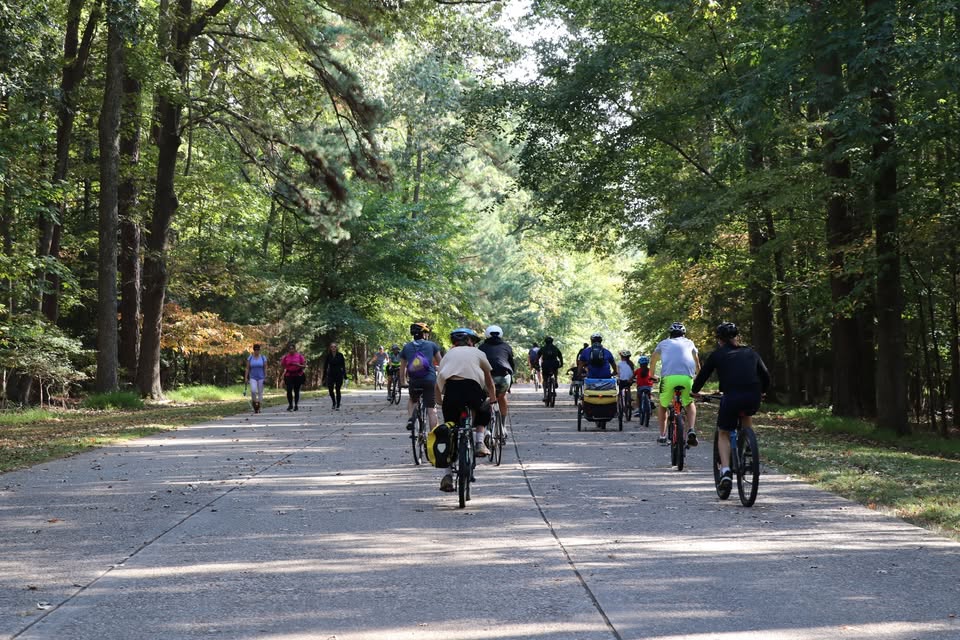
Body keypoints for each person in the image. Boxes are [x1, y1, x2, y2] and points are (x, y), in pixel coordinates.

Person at [692, 322, 770, 491]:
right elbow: (765, 374)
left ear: (720, 340)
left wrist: (695, 391)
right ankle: (749, 446)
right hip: (752, 396)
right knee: (746, 414)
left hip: (731, 397)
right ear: (737, 337)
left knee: (723, 432)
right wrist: (763, 392)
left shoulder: (717, 355)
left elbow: (703, 375)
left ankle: (726, 470)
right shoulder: (751, 352)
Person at [436, 327, 498, 491]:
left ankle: (447, 475)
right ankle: (479, 442)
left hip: (452, 391)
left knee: (450, 429)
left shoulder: (448, 354)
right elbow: (489, 380)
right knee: (484, 408)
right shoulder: (478, 353)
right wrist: (492, 399)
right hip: (472, 389)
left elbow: (439, 377)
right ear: (471, 342)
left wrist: (440, 402)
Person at [649, 322, 701, 446]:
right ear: (684, 334)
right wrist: (697, 377)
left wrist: (652, 375)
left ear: (670, 334)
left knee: (662, 405)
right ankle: (691, 429)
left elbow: (653, 361)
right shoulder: (690, 343)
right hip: (687, 378)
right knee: (689, 403)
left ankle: (662, 435)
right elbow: (697, 364)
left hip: (668, 379)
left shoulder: (663, 344)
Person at [400, 322, 443, 433]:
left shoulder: (406, 347)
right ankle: (433, 436)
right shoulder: (432, 345)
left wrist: (403, 382)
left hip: (415, 380)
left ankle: (410, 418)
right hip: (429, 380)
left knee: (412, 400)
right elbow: (441, 363)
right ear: (424, 334)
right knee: (431, 409)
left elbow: (403, 367)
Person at [478, 325, 515, 418]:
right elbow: (511, 364)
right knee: (502, 397)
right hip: (504, 378)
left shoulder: (481, 347)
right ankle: (503, 425)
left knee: (486, 396)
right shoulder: (507, 347)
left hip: (487, 378)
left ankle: (485, 425)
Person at [280, 343, 306, 411]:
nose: (291, 350)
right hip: (289, 375)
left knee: (296, 390)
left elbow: (304, 366)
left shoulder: (299, 356)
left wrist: (298, 365)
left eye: (292, 349)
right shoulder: (286, 357)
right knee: (289, 390)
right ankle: (290, 404)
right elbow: (282, 365)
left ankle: (296, 405)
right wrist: (284, 371)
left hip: (298, 375)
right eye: (290, 349)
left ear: (295, 349)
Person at [322, 342, 347, 410]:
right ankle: (334, 402)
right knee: (330, 390)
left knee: (338, 389)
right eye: (332, 347)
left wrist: (345, 376)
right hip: (331, 374)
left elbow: (343, 366)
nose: (333, 348)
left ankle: (338, 404)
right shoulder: (328, 356)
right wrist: (324, 377)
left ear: (336, 348)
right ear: (330, 348)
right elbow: (325, 366)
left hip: (339, 374)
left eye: (335, 346)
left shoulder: (340, 355)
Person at [245, 343, 267, 414]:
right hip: (253, 377)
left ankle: (259, 407)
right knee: (253, 391)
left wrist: (265, 376)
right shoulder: (250, 358)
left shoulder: (263, 358)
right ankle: (254, 404)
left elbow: (265, 368)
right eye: (255, 350)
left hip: (261, 377)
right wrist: (246, 377)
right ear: (253, 350)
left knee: (260, 392)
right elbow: (247, 368)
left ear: (259, 350)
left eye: (258, 350)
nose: (256, 351)